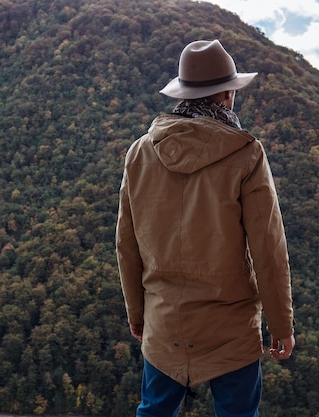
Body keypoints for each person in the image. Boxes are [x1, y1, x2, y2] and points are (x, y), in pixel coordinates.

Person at [115, 39, 295, 417]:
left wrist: (138, 316)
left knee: (153, 412)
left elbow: (127, 246)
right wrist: (281, 324)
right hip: (230, 328)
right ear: (227, 94)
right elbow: (268, 248)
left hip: (165, 323)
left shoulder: (139, 153)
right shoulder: (247, 154)